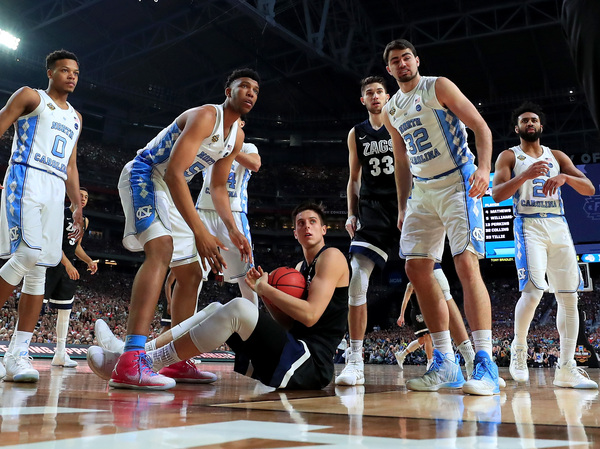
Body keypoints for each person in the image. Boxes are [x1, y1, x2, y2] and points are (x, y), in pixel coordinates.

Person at [88, 202, 350, 390]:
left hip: (311, 365)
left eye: (313, 222)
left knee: (238, 307)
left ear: (324, 229)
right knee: (215, 306)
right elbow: (288, 324)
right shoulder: (300, 269)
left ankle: (149, 362)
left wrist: (265, 290)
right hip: (293, 351)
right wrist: (268, 297)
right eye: (300, 223)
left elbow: (311, 315)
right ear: (294, 232)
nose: (307, 227)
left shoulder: (332, 257)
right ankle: (132, 353)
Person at [110, 68, 259, 390]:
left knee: (191, 274)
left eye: (255, 90)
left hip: (168, 186)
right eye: (243, 86)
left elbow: (219, 188)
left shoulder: (237, 138)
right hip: (145, 174)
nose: (250, 93)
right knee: (161, 249)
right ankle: (130, 358)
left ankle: (175, 360)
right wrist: (201, 232)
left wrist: (233, 231)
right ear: (228, 90)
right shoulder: (207, 116)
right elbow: (176, 172)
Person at [381, 39, 499, 395]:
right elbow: (401, 160)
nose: (402, 64)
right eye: (394, 61)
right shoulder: (390, 109)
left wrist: (483, 168)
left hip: (458, 180)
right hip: (423, 189)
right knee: (416, 268)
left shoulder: (438, 86)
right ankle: (446, 361)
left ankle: (485, 362)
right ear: (389, 70)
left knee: (465, 265)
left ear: (416, 60)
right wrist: (403, 205)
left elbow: (481, 126)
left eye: (406, 58)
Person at [492, 101, 597, 389]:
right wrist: (524, 175)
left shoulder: (557, 155)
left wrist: (565, 176)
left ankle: (566, 368)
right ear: (517, 128)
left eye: (534, 120)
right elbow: (497, 193)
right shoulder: (509, 156)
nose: (530, 123)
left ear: (540, 126)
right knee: (535, 289)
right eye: (524, 120)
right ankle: (519, 347)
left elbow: (589, 188)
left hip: (558, 224)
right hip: (528, 224)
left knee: (569, 297)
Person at [0, 50, 83, 382]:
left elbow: (72, 165)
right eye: (64, 70)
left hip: (55, 188)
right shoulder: (30, 96)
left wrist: (76, 204)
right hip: (26, 178)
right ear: (50, 73)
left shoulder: (76, 116)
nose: (71, 76)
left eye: (75, 72)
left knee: (38, 272)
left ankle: (16, 354)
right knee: (28, 253)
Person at [335, 76, 400, 386]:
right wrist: (351, 213)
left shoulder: (402, 124)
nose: (375, 96)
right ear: (363, 100)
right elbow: (353, 178)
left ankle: (455, 357)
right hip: (372, 210)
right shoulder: (356, 133)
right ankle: (355, 358)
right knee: (357, 277)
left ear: (388, 96)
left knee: (435, 280)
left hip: (407, 206)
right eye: (369, 93)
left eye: (379, 92)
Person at [43, 187, 97, 367]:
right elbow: (52, 242)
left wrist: (89, 261)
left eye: (86, 196)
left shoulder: (85, 221)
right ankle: (16, 350)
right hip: (51, 263)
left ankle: (60, 353)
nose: (83, 198)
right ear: (70, 196)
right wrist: (67, 264)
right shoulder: (59, 213)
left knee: (65, 310)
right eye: (80, 195)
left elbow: (76, 247)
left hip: (68, 266)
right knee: (36, 307)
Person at [395, 280, 434, 370]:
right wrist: (401, 315)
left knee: (422, 340)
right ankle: (430, 362)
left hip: (426, 312)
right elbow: (405, 300)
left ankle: (402, 354)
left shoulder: (427, 282)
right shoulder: (411, 284)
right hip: (418, 313)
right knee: (427, 336)